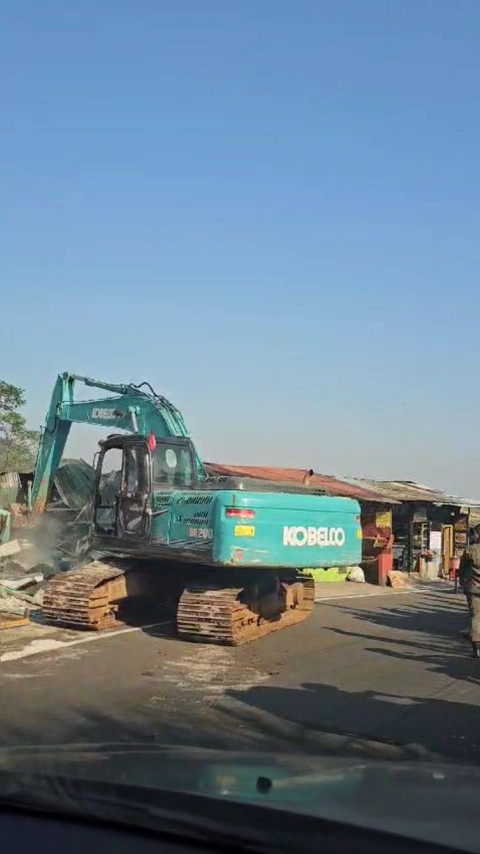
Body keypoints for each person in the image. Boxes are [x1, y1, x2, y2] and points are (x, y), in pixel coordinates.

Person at [459, 525, 480, 658]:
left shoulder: (470, 550)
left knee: (475, 617)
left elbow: (462, 570)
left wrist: (462, 581)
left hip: (473, 588)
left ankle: (477, 649)